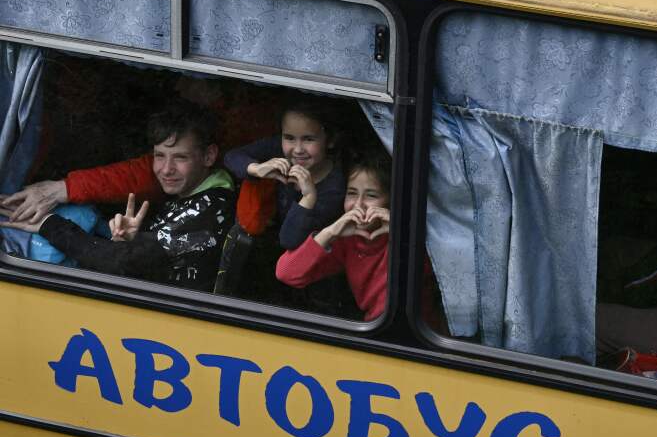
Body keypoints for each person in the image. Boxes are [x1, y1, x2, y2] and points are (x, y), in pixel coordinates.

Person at [0, 102, 234, 292]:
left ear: (208, 156)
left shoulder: (208, 212)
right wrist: (130, 241)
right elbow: (143, 257)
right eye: (159, 155)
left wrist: (48, 224)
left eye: (180, 158)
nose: (165, 169)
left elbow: (119, 263)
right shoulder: (197, 194)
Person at [275, 152, 390, 321]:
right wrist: (330, 232)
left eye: (371, 195)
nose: (358, 205)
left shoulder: (415, 237)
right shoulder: (347, 239)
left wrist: (402, 232)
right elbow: (287, 273)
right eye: (351, 193)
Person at [224, 97, 350, 249]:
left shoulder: (335, 189)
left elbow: (291, 241)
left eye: (308, 139)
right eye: (289, 138)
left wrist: (308, 196)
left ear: (330, 140)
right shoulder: (279, 150)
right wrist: (256, 169)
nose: (297, 149)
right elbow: (231, 157)